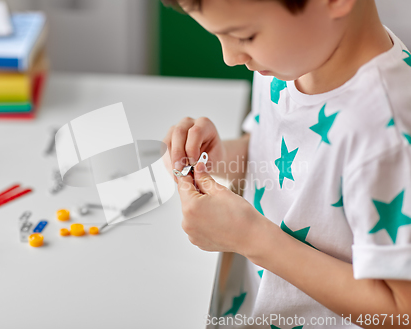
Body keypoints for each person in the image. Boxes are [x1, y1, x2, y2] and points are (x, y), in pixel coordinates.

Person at [161, 0, 411, 327]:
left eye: (245, 36)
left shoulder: (387, 132)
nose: (231, 58)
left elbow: (401, 310)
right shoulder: (288, 63)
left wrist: (251, 239)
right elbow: (283, 158)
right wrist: (217, 157)